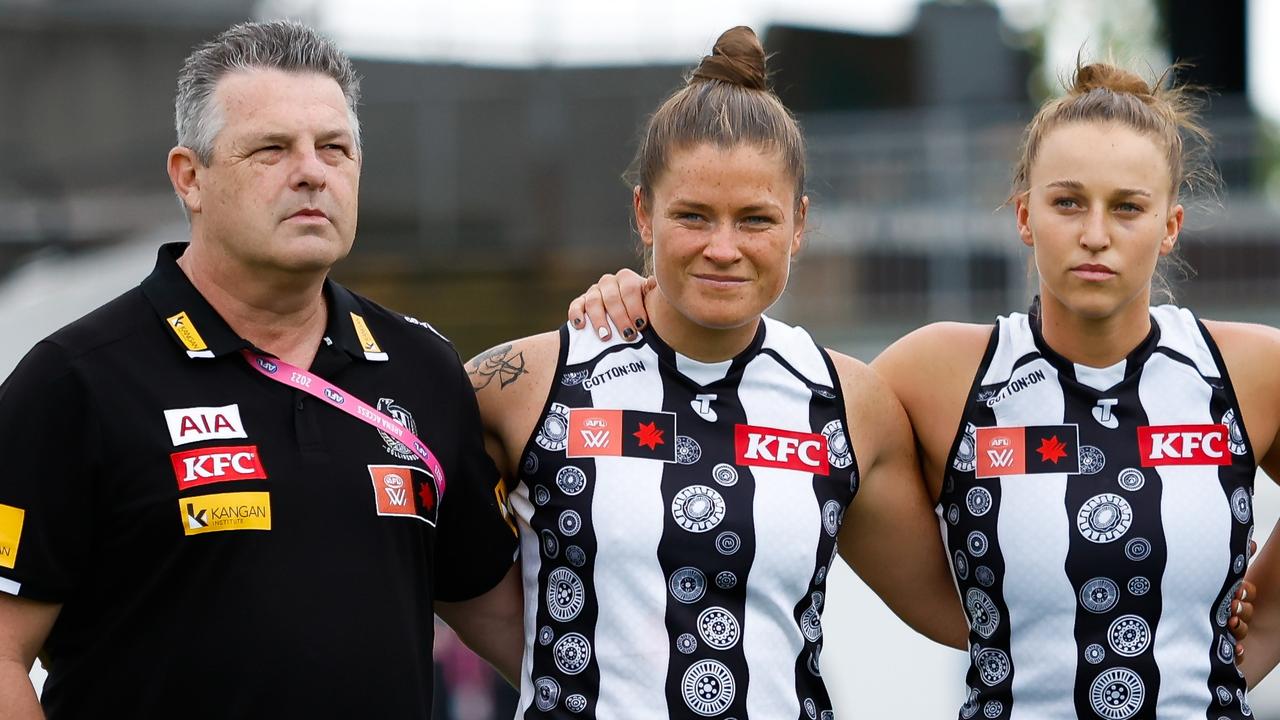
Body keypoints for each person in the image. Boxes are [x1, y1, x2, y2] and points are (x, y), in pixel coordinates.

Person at [578, 61, 1269, 717]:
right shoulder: (933, 374)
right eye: (1067, 203)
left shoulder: (1247, 371)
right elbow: (758, 399)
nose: (1095, 235)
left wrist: (1255, 634)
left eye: (1127, 208)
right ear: (1025, 216)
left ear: (1171, 226)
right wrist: (649, 301)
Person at [0, 20, 520, 719]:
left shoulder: (421, 368)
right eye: (272, 149)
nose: (312, 170)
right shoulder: (74, 382)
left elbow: (508, 620)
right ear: (191, 178)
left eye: (334, 148)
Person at [469, 26, 967, 719]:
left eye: (755, 219)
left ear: (799, 224)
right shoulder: (523, 384)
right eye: (693, 216)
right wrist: (549, 668)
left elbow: (968, 613)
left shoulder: (848, 403)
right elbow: (405, 547)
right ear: (644, 214)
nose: (723, 248)